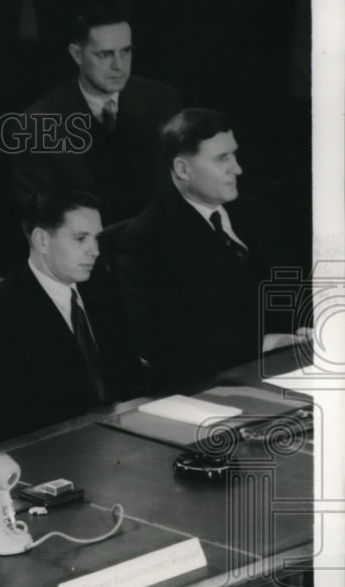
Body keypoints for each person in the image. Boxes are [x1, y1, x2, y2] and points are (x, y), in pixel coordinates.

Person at [114, 108, 310, 383]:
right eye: (222, 158)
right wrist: (264, 343)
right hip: (218, 382)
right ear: (183, 169)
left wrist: (309, 327)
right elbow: (162, 345)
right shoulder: (146, 239)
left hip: (291, 362)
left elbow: (293, 289)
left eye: (234, 154)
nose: (238, 168)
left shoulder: (255, 211)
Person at [0, 191, 142, 440]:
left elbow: (129, 373)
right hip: (59, 449)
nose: (95, 251)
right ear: (41, 241)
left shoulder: (98, 288)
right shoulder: (1, 314)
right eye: (81, 239)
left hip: (121, 437)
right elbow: (2, 419)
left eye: (97, 239)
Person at [13, 5, 182, 224]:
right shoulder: (38, 122)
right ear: (77, 54)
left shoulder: (163, 100)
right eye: (105, 55)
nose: (119, 66)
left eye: (126, 51)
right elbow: (42, 218)